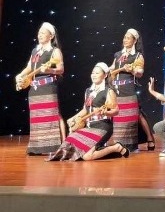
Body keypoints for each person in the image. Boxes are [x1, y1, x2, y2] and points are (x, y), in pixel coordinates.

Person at [48, 63, 130, 161]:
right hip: (89, 126)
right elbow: (85, 110)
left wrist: (105, 113)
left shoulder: (108, 91)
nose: (94, 75)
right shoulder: (88, 91)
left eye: (97, 73)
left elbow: (116, 110)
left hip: (103, 126)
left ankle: (116, 148)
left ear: (105, 75)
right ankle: (102, 149)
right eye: (92, 73)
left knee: (87, 156)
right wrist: (73, 118)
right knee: (69, 145)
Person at [14, 22, 66, 155]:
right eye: (39, 33)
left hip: (48, 87)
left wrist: (49, 70)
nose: (39, 35)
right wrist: (20, 75)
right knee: (37, 117)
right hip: (35, 88)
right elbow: (29, 67)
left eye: (43, 33)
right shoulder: (35, 51)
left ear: (51, 36)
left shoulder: (54, 51)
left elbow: (60, 69)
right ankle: (37, 147)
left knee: (52, 115)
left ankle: (58, 146)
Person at [108, 28, 145, 151]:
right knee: (117, 117)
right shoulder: (118, 54)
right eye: (124, 37)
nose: (125, 40)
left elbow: (140, 72)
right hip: (116, 89)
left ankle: (129, 146)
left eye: (128, 38)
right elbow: (112, 67)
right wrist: (105, 70)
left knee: (128, 118)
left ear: (135, 41)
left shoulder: (138, 56)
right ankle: (118, 144)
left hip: (128, 90)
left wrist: (133, 70)